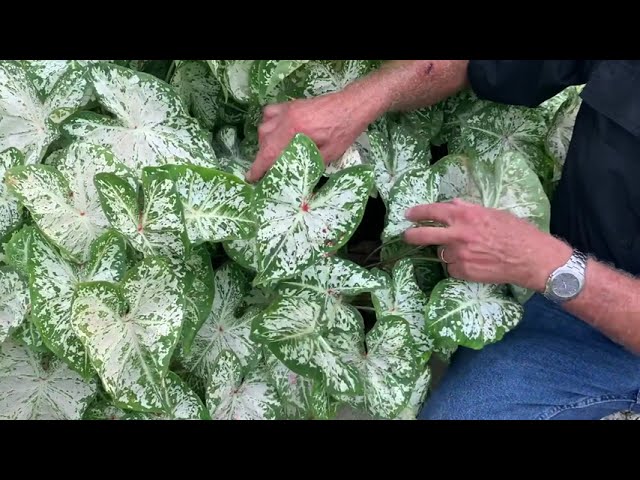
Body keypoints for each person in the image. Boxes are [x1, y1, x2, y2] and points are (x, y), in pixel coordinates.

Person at [245, 60, 640, 420]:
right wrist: (353, 103)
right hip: (571, 290)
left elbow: (546, 265)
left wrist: (545, 263)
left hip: (582, 296)